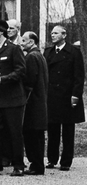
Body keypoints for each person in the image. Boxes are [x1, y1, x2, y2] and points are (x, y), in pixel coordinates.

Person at [0, 18, 27, 176]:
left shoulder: (14, 49)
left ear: (2, 31)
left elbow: (21, 71)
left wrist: (3, 79)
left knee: (14, 132)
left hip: (13, 97)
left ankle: (18, 165)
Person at [44, 25, 84, 171]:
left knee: (68, 130)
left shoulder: (74, 52)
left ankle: (66, 161)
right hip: (52, 96)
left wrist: (75, 95)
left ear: (64, 35)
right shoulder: (48, 52)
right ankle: (52, 159)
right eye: (52, 33)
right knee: (52, 129)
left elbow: (79, 76)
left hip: (68, 96)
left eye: (56, 33)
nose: (52, 35)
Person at [19, 31, 49, 175]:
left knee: (32, 134)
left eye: (24, 40)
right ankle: (37, 164)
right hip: (39, 100)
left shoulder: (31, 57)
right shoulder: (39, 55)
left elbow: (29, 80)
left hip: (32, 102)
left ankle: (36, 165)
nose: (21, 43)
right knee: (37, 135)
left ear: (31, 42)